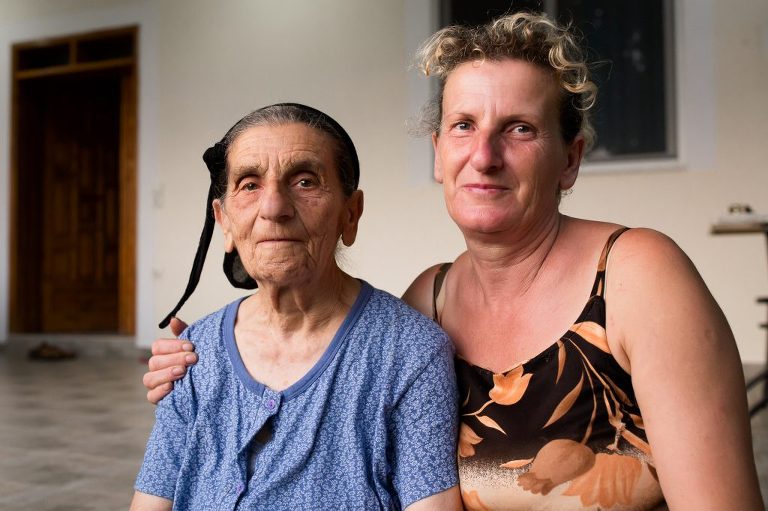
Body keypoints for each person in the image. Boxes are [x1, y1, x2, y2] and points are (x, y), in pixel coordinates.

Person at [142, 13, 765, 511]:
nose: (484, 155)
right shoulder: (429, 300)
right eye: (463, 126)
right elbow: (337, 368)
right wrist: (193, 358)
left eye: (519, 129)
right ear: (439, 154)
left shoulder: (638, 277)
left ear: (570, 159)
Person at [131, 103, 461, 510]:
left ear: (351, 214)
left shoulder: (410, 353)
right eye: (249, 185)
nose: (274, 208)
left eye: (305, 182)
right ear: (224, 222)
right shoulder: (194, 352)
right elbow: (152, 501)